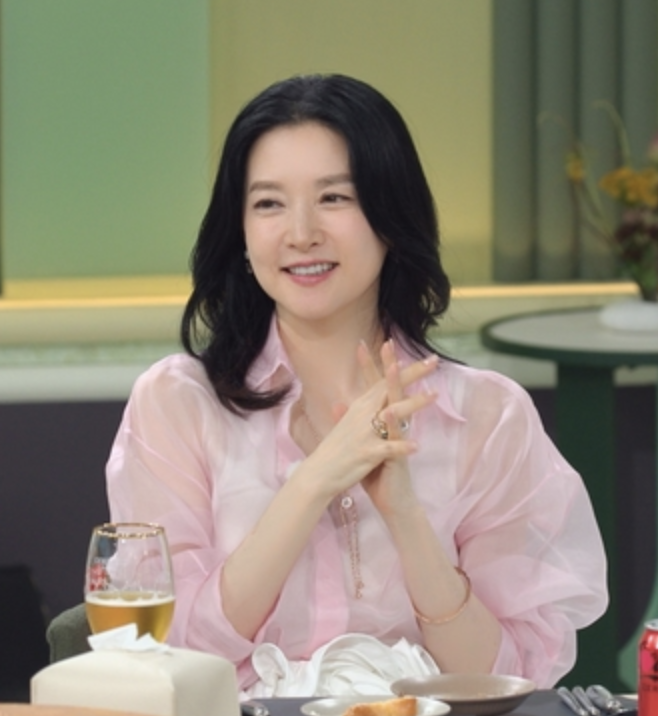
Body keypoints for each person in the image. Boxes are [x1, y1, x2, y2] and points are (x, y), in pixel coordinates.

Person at [106, 74, 607, 694]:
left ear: (390, 216)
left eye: (334, 198)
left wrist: (406, 516)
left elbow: (505, 679)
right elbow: (166, 652)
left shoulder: (486, 415)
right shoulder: (177, 404)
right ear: (240, 231)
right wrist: (314, 480)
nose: (301, 233)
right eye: (268, 204)